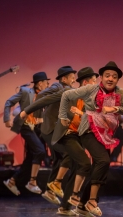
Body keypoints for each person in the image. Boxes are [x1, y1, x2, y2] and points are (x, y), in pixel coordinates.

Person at [59, 61, 123, 216]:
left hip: (105, 134)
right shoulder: (91, 89)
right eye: (107, 75)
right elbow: (67, 95)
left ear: (117, 80)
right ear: (101, 77)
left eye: (114, 76)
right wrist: (62, 116)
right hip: (88, 131)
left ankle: (81, 206)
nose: (110, 79)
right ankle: (92, 201)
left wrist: (115, 108)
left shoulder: (119, 93)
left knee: (101, 168)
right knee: (103, 161)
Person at [22, 67, 98, 215]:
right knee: (78, 160)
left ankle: (64, 206)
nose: (96, 84)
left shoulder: (88, 98)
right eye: (94, 81)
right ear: (86, 82)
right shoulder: (66, 91)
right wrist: (27, 111)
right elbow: (46, 98)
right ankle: (58, 186)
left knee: (76, 164)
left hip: (74, 134)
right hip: (59, 132)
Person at [20, 66, 77, 207]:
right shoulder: (58, 86)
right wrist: (41, 116)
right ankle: (56, 185)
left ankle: (50, 191)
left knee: (58, 158)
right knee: (67, 154)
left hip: (55, 130)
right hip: (50, 129)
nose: (74, 79)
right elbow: (40, 95)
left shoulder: (67, 90)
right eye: (71, 77)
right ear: (64, 79)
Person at [3, 71, 50, 195]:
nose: (47, 84)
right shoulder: (25, 92)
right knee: (40, 151)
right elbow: (9, 103)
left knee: (30, 158)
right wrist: (7, 119)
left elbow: (44, 115)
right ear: (40, 84)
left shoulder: (44, 96)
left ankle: (12, 181)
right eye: (46, 82)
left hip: (36, 129)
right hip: (25, 126)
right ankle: (32, 182)